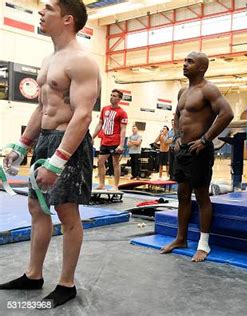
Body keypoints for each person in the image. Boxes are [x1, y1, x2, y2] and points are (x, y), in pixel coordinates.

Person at [0, 0, 100, 308]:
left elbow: (83, 115)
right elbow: (43, 108)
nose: (40, 12)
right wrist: (22, 144)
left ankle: (66, 284)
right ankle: (33, 275)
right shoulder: (49, 59)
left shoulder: (82, 60)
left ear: (67, 19)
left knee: (66, 213)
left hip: (68, 142)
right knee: (36, 207)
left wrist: (58, 161)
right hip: (44, 139)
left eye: (48, 8)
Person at [160, 52, 234, 262]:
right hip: (182, 150)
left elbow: (227, 113)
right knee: (182, 195)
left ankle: (203, 244)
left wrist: (205, 139)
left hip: (199, 151)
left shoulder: (208, 89)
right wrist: (175, 137)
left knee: (201, 197)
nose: (185, 64)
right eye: (184, 61)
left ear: (202, 67)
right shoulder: (183, 91)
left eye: (190, 62)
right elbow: (177, 114)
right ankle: (180, 238)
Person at [92, 89, 128, 191]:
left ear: (119, 99)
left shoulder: (122, 113)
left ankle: (116, 186)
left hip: (115, 141)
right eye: (111, 95)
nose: (112, 97)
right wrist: (92, 136)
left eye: (115, 96)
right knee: (100, 162)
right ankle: (101, 184)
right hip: (105, 140)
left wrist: (121, 145)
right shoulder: (104, 109)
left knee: (115, 163)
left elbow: (123, 130)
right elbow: (100, 124)